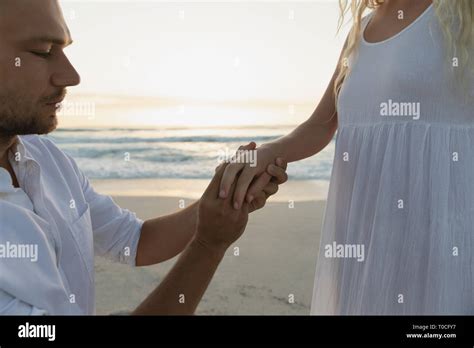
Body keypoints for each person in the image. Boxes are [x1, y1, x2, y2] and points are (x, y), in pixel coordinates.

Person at [0, 0, 288, 315]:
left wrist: (217, 200)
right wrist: (209, 245)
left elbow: (134, 240)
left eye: (64, 49)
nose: (71, 75)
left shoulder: (47, 158)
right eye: (42, 51)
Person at [221, 0, 474, 314]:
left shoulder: (462, 16)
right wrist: (267, 153)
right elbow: (321, 125)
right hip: (363, 235)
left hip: (444, 234)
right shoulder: (360, 31)